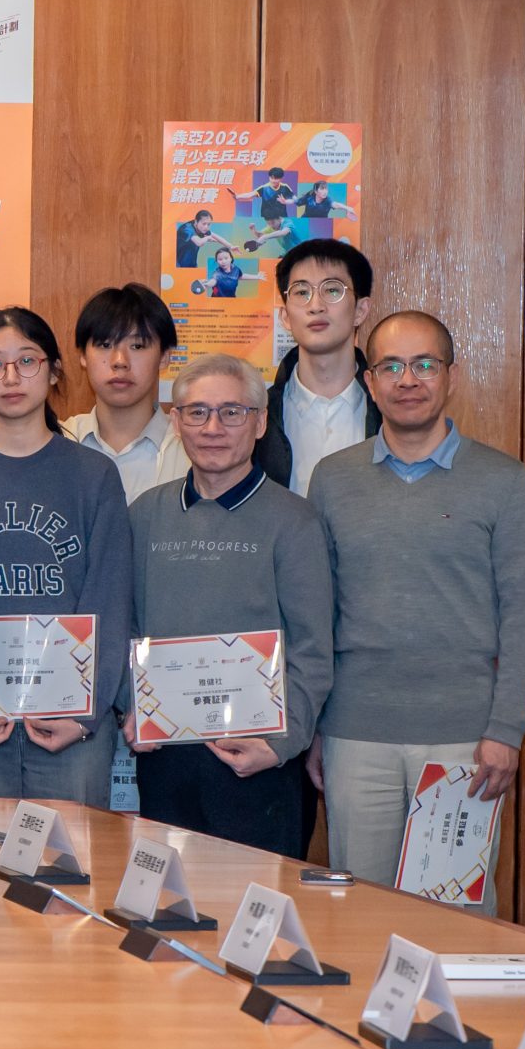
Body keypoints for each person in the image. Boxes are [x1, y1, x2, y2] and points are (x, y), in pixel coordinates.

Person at [309, 312, 525, 910]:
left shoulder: (503, 480)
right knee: (359, 913)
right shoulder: (332, 480)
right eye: (390, 366)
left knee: (455, 919)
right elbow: (317, 613)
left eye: (424, 365)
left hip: (464, 741)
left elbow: (524, 615)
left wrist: (505, 731)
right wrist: (314, 726)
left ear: (451, 376)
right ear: (369, 382)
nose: (407, 380)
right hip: (355, 734)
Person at [126, 355, 332, 856]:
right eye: (197, 412)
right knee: (167, 896)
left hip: (260, 763)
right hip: (163, 757)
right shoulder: (144, 515)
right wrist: (127, 705)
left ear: (259, 423)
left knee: (255, 900)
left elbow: (313, 649)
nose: (213, 428)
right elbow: (123, 625)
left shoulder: (295, 521)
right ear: (176, 422)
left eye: (231, 412)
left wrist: (280, 744)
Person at [0, 309, 132, 810]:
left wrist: (86, 714)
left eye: (27, 361)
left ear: (53, 371)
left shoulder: (94, 475)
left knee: (72, 855)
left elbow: (110, 599)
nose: (11, 377)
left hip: (70, 724)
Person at [256, 237, 378, 495]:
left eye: (332, 290)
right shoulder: (257, 416)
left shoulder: (389, 410)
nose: (315, 306)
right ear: (285, 316)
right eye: (302, 292)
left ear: (360, 310)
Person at [61, 284, 189, 502]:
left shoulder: (192, 447)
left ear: (164, 357)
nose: (120, 361)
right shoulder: (60, 440)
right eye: (105, 344)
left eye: (137, 346)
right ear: (82, 355)